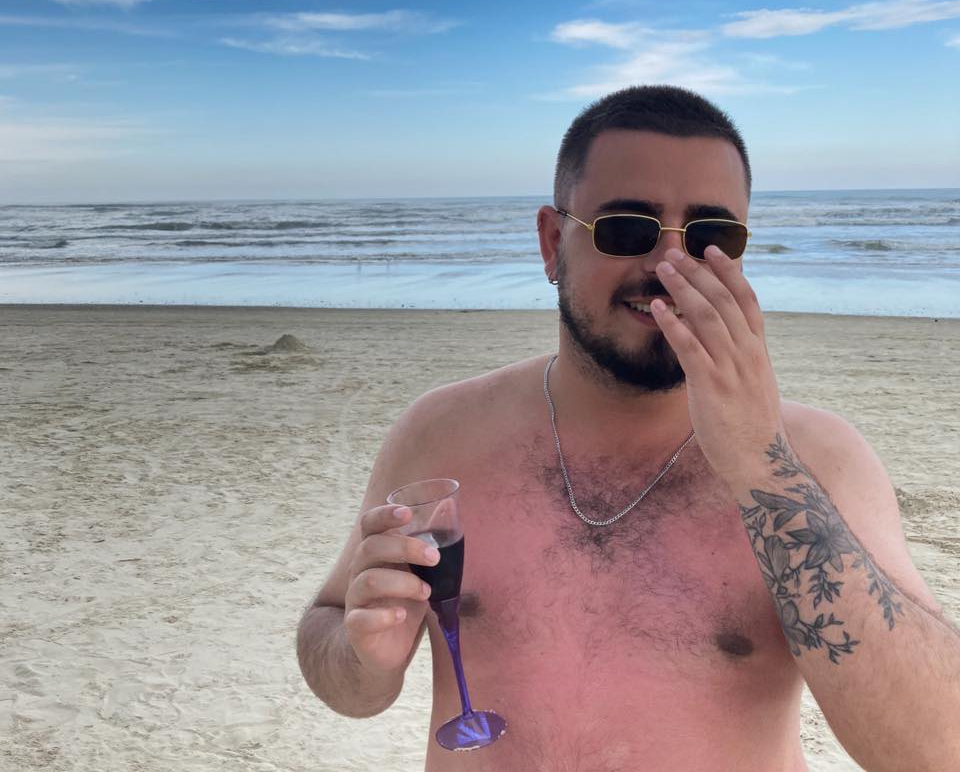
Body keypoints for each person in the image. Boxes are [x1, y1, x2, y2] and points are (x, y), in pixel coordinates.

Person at [296, 85, 960, 771]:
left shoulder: (818, 459)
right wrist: (361, 658)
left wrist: (759, 462)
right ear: (553, 243)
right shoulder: (443, 433)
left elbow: (938, 749)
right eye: (626, 229)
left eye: (709, 235)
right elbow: (336, 648)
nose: (668, 267)